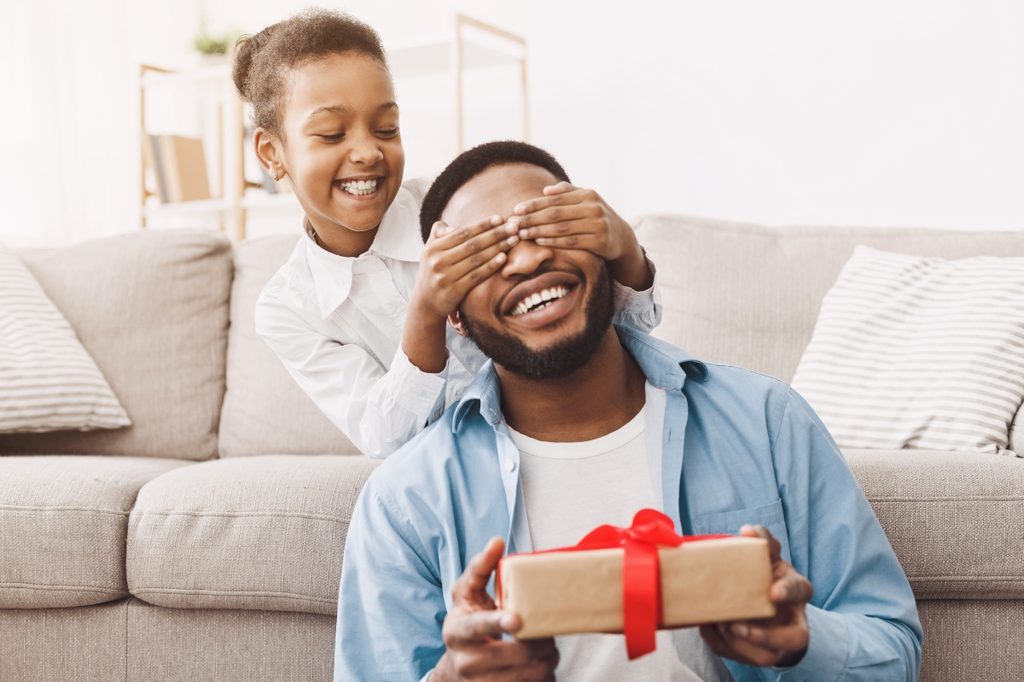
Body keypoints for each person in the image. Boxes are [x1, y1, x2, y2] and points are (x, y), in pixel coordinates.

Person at [334, 141, 923, 681]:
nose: (524, 261)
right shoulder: (404, 503)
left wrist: (806, 641)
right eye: (482, 254)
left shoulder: (768, 422)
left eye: (547, 225)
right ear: (453, 314)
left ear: (604, 244)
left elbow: (894, 651)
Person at [233, 9, 660, 458]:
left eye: (386, 129)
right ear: (270, 153)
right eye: (330, 134)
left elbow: (631, 328)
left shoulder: (458, 204)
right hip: (454, 469)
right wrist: (426, 313)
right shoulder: (288, 308)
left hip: (567, 431)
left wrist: (623, 250)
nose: (366, 152)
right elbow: (384, 439)